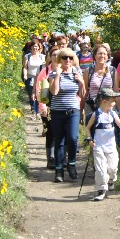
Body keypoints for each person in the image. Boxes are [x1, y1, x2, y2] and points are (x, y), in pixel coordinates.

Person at [48, 48, 86, 182]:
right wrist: (58, 75)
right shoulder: (54, 73)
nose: (68, 60)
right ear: (60, 60)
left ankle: (71, 165)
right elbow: (54, 92)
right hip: (57, 111)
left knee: (73, 138)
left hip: (73, 111)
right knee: (59, 141)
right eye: (64, 58)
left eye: (70, 58)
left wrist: (81, 82)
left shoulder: (77, 72)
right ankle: (59, 170)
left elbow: (82, 94)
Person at [86, 88, 120, 200]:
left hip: (111, 147)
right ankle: (101, 190)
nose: (114, 103)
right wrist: (89, 139)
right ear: (104, 102)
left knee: (112, 169)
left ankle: (111, 181)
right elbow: (88, 128)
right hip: (98, 146)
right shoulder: (96, 114)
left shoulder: (113, 114)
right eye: (112, 101)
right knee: (101, 169)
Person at [22, 41, 45, 119]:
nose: (35, 48)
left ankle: (37, 111)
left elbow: (44, 67)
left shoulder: (42, 57)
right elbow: (25, 67)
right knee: (31, 94)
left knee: (38, 94)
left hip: (39, 78)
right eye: (33, 46)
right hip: (30, 77)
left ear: (39, 47)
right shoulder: (27, 56)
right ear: (31, 47)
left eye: (36, 46)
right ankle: (33, 109)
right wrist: (25, 75)